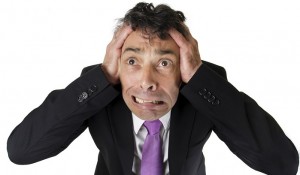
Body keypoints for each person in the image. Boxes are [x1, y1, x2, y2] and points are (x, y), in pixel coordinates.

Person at [7, 2, 299, 175]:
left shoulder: (203, 89)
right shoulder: (101, 88)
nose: (147, 82)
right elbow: (21, 151)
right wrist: (104, 76)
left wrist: (200, 78)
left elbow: (282, 163)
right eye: (133, 60)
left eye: (163, 64)